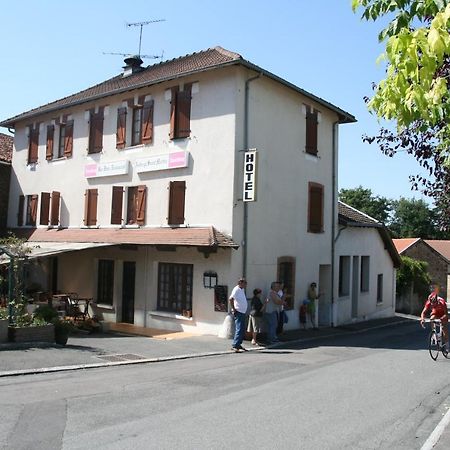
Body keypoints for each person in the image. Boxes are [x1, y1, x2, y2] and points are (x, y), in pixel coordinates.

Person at [420, 284, 449, 349]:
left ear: (437, 301)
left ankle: (447, 344)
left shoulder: (442, 302)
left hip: (443, 314)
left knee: (444, 328)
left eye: (434, 304)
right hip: (435, 312)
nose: (433, 305)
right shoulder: (428, 302)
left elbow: (446, 314)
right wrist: (422, 319)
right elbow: (423, 312)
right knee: (432, 318)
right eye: (431, 304)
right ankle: (434, 332)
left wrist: (443, 318)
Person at [229, 278, 248, 352]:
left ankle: (238, 344)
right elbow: (231, 299)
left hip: (242, 312)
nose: (245, 285)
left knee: (242, 329)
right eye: (244, 283)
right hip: (239, 311)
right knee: (239, 328)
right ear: (240, 283)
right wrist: (233, 308)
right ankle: (235, 345)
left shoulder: (241, 289)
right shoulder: (236, 289)